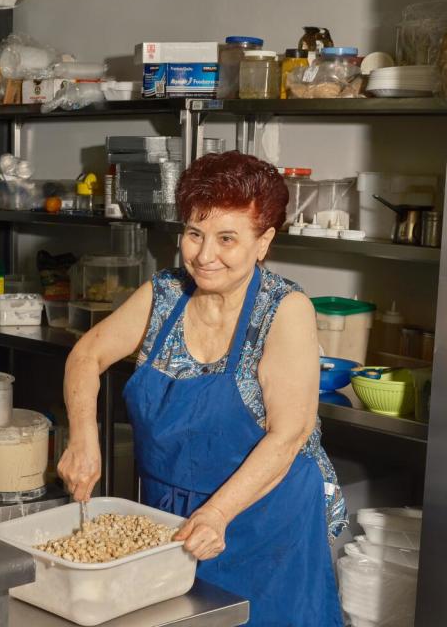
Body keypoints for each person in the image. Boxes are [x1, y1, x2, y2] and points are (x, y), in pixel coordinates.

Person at [58, 152, 346, 626]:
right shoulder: (165, 293)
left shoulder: (285, 310)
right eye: (195, 234)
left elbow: (289, 436)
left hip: (264, 517)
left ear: (263, 242)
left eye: (227, 239)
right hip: (169, 515)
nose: (204, 255)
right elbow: (87, 356)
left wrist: (217, 514)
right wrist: (83, 439)